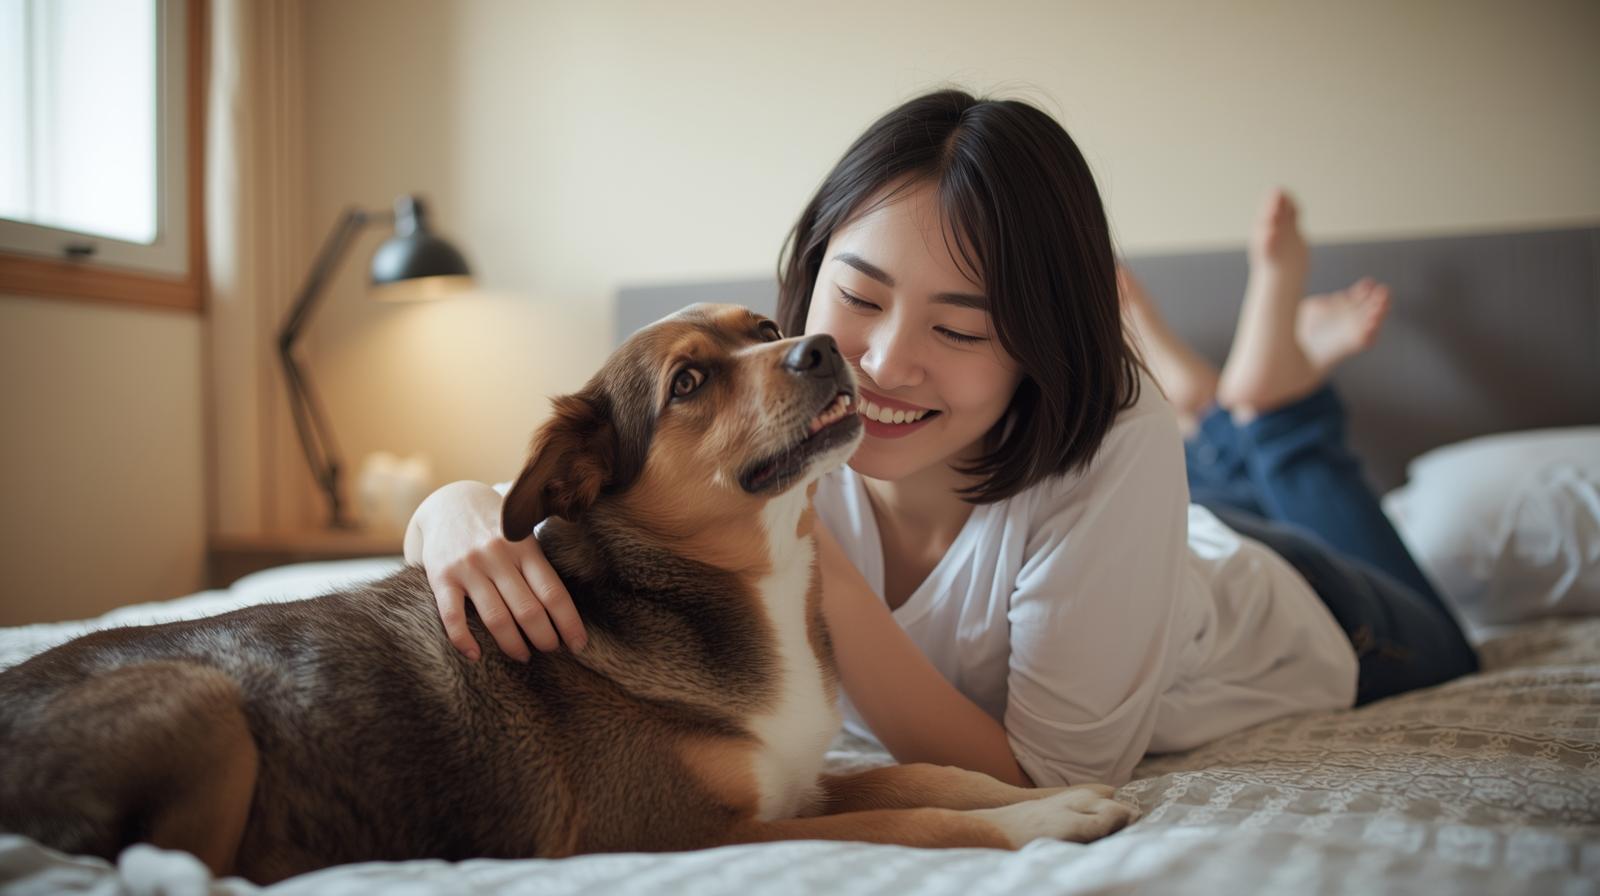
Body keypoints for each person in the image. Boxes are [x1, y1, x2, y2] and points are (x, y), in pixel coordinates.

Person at [403, 90, 1478, 788]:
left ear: (1038, 345)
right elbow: (578, 493)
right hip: (1159, 534)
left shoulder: (1111, 439)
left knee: (1431, 617)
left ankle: (1280, 409)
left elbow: (1047, 778)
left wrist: (820, 570)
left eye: (960, 327)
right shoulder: (778, 388)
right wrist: (445, 509)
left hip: (1302, 607)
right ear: (812, 265)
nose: (880, 363)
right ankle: (1233, 396)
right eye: (858, 297)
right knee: (1197, 462)